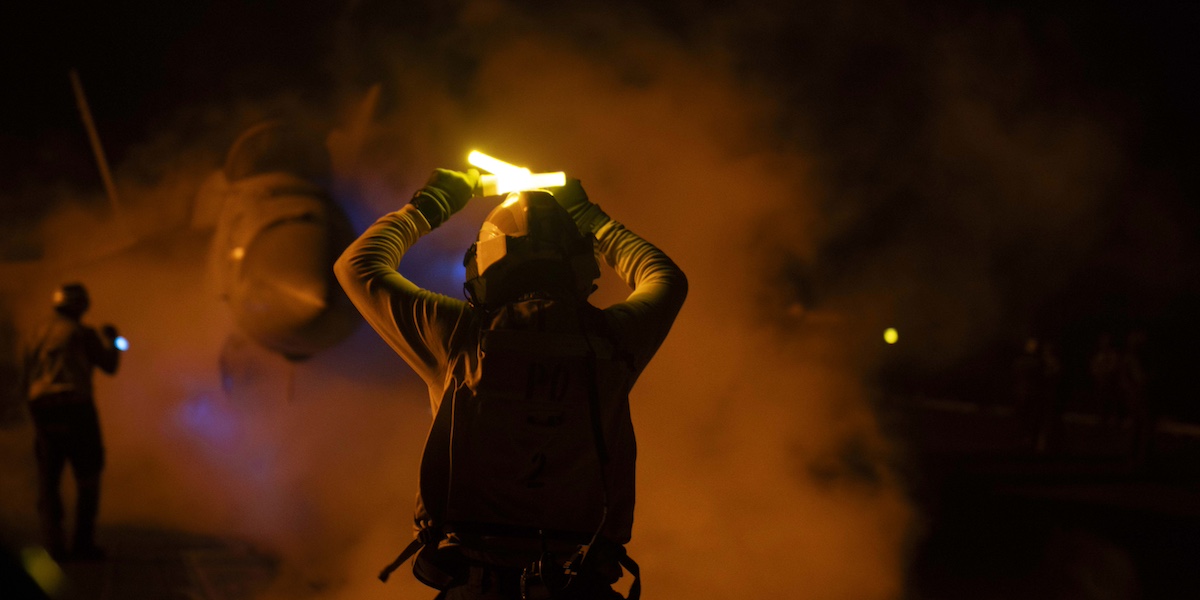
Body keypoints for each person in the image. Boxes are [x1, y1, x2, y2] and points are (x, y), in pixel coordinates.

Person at [335, 168, 687, 599]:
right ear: (579, 262)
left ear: (485, 262)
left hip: (477, 585)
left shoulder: (458, 335)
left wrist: (432, 204)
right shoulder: (614, 340)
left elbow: (357, 265)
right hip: (580, 586)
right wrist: (589, 216)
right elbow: (666, 278)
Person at [21, 283, 121, 561]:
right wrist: (113, 342)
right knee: (88, 474)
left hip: (42, 409)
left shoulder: (35, 333)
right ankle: (83, 543)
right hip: (77, 409)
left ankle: (53, 543)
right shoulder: (82, 333)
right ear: (81, 305)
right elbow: (109, 366)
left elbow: (25, 373)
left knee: (48, 478)